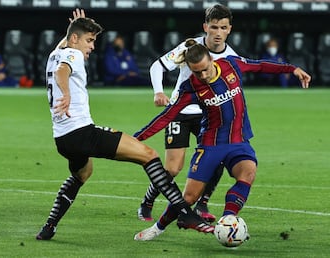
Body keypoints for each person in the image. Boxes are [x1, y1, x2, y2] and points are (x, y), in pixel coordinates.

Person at [36, 9, 213, 241]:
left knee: (83, 173)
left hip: (63, 139)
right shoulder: (72, 55)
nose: (91, 47)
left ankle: (49, 227)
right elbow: (63, 71)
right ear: (74, 40)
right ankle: (185, 213)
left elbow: (61, 56)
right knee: (148, 154)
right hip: (82, 133)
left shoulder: (55, 54)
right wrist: (67, 94)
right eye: (89, 41)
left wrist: (74, 27)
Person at [133, 39, 311, 241]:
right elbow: (166, 116)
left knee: (248, 172)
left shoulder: (231, 64)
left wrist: (292, 69)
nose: (202, 75)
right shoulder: (190, 87)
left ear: (211, 59)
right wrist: (134, 139)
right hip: (211, 145)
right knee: (189, 198)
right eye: (196, 72)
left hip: (239, 141)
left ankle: (228, 219)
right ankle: (158, 228)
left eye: (204, 69)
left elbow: (260, 65)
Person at [137, 4, 237, 223]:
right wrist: (158, 92)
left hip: (208, 116)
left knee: (216, 159)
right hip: (180, 112)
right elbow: (157, 66)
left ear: (229, 29)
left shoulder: (231, 59)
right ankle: (147, 201)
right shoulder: (190, 47)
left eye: (223, 27)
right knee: (172, 169)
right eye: (213, 27)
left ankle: (202, 204)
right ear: (205, 27)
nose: (217, 33)